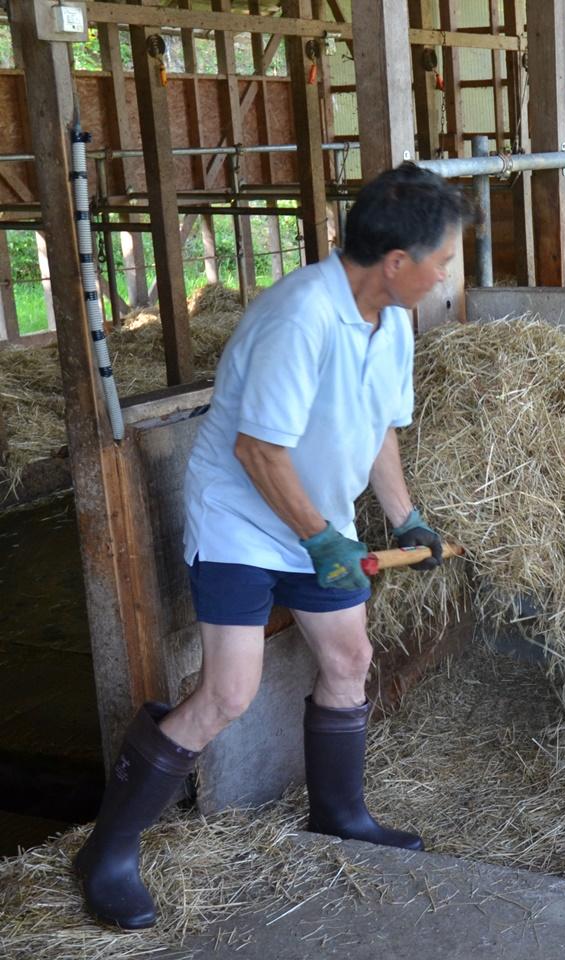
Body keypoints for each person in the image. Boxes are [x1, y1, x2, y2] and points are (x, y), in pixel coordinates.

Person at [74, 162, 469, 930]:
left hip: (315, 521)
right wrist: (320, 538)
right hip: (243, 523)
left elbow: (379, 425)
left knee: (349, 659)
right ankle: (108, 851)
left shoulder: (390, 322)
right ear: (398, 263)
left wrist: (407, 515)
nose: (447, 274)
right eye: (443, 260)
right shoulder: (302, 317)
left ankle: (340, 815)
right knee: (228, 694)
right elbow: (259, 451)